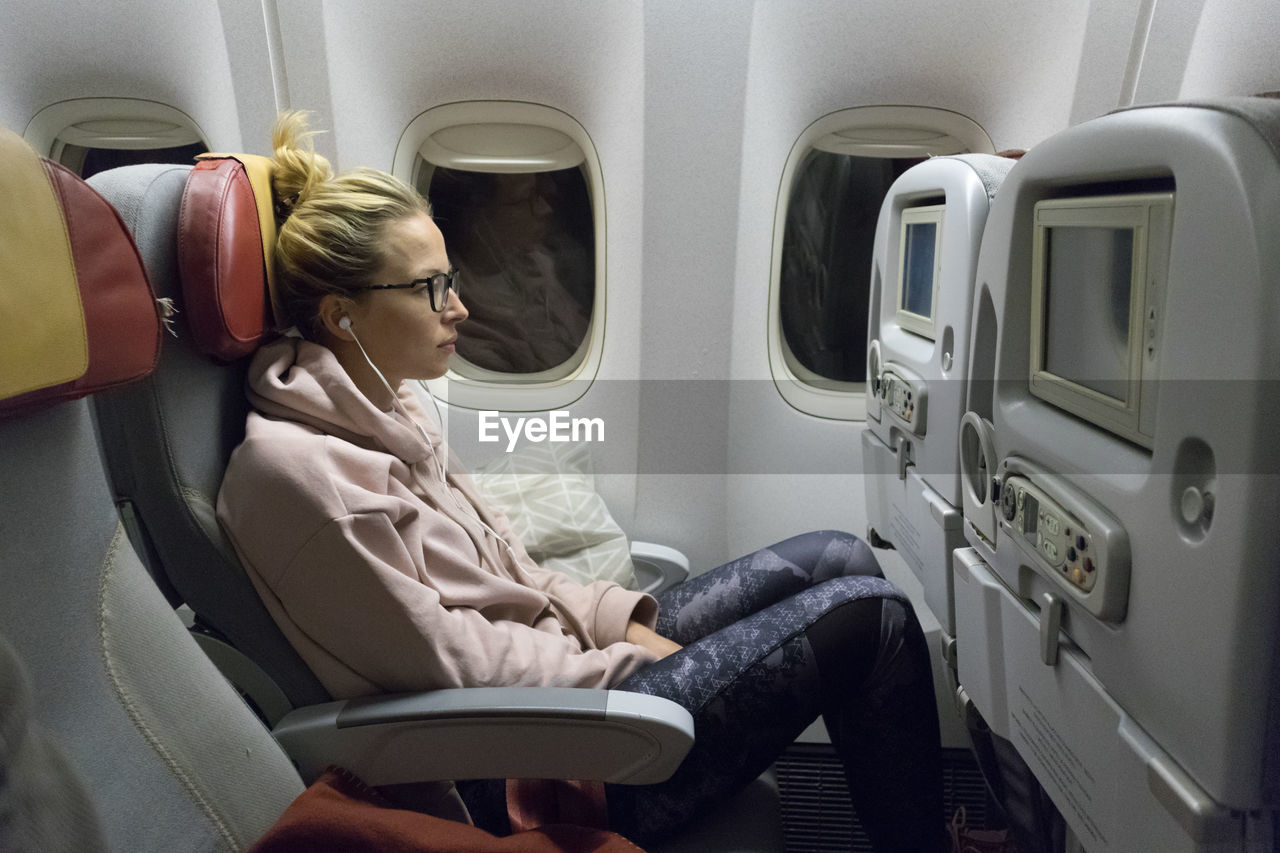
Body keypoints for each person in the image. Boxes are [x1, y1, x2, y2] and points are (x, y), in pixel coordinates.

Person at [216, 111, 946, 852]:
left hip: (558, 678)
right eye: (432, 288)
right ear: (343, 315)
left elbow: (513, 568)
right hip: (525, 760)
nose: (460, 308)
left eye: (453, 280)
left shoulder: (390, 404)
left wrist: (614, 619)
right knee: (872, 615)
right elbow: (451, 664)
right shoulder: (298, 479)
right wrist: (628, 662)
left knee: (839, 556)